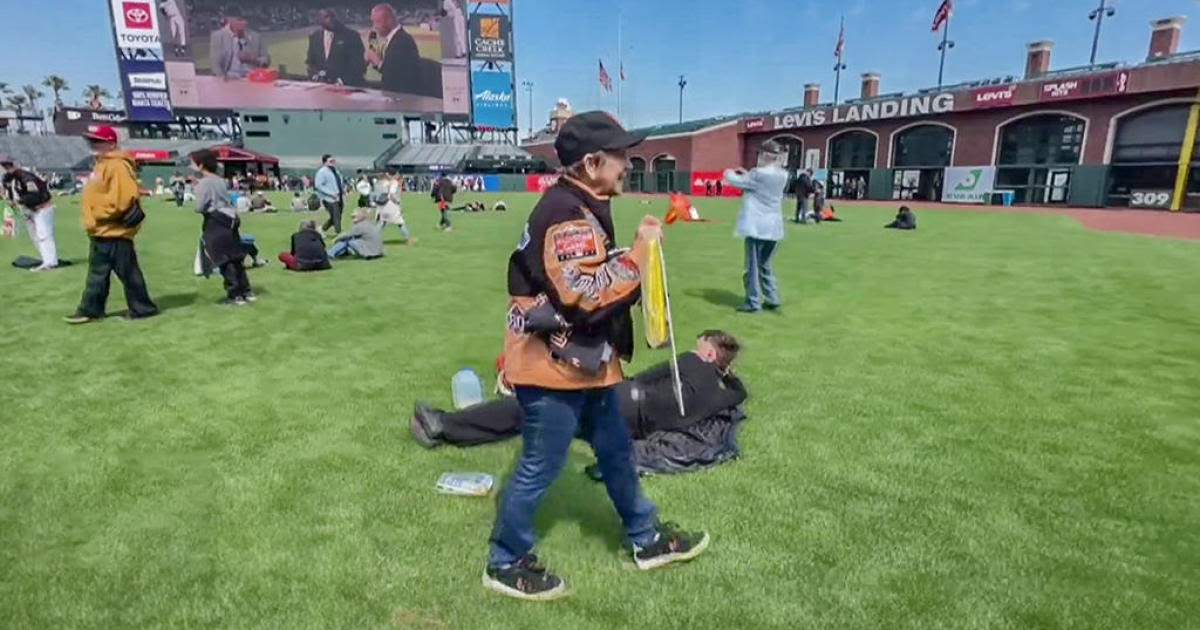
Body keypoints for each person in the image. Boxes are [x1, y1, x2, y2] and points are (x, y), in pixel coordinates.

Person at [483, 111, 707, 601]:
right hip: (554, 369)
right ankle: (504, 559)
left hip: (583, 365)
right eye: (621, 156)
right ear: (591, 162)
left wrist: (626, 253)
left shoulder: (577, 203)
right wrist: (638, 257)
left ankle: (645, 538)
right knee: (540, 464)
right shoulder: (566, 212)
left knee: (617, 452)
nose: (628, 164)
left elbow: (580, 273)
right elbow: (581, 295)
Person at [412, 331, 745, 448]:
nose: (694, 348)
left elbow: (642, 378)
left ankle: (444, 425)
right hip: (632, 428)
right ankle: (451, 429)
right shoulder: (722, 395)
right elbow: (739, 390)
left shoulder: (690, 362)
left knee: (533, 407)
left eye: (701, 346)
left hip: (624, 403)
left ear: (711, 354)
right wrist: (726, 373)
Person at [65, 126, 159, 324]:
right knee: (98, 274)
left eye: (98, 141)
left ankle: (142, 308)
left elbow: (124, 197)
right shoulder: (101, 164)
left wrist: (100, 215)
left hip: (113, 229)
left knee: (128, 273)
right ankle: (90, 309)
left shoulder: (117, 165)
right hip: (100, 230)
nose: (94, 144)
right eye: (92, 141)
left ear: (111, 143)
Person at [724, 140, 788, 314]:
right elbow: (754, 182)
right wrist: (747, 175)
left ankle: (753, 302)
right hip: (774, 228)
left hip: (757, 227)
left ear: (765, 155)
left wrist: (728, 172)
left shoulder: (758, 174)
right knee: (766, 265)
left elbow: (737, 182)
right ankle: (772, 297)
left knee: (751, 266)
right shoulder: (782, 174)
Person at [191, 149, 255, 305]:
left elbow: (199, 207)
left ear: (201, 165)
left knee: (224, 258)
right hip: (230, 218)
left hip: (215, 220)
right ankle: (246, 291)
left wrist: (196, 189)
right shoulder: (220, 180)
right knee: (235, 256)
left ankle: (235, 294)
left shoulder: (204, 183)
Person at [1, 155, 59, 271]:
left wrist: (19, 201)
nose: (7, 168)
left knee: (44, 234)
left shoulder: (26, 177)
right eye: (4, 165)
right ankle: (46, 259)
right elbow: (7, 191)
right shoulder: (7, 178)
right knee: (35, 236)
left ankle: (50, 262)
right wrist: (9, 199)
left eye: (8, 165)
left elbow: (35, 195)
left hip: (41, 208)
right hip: (27, 210)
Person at [364, 3, 429, 95]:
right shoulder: (395, 38)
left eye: (377, 22)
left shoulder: (402, 41)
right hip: (394, 92)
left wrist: (376, 60)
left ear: (389, 20)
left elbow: (393, 75)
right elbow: (389, 68)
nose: (374, 26)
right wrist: (374, 60)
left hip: (403, 97)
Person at [306, 8, 366, 86]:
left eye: (332, 16)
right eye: (326, 17)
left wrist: (341, 81)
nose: (331, 19)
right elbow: (311, 63)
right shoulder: (314, 37)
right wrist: (315, 76)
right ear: (319, 20)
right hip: (323, 89)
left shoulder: (351, 36)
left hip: (348, 87)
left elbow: (358, 65)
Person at [210, 14, 270, 80]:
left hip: (251, 79)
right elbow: (215, 65)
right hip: (229, 79)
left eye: (245, 20)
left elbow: (266, 60)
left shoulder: (256, 37)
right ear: (230, 20)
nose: (244, 23)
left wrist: (253, 59)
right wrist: (222, 80)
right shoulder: (218, 36)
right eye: (240, 20)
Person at [375, 173, 414, 244]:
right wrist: (398, 202)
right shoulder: (393, 183)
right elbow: (392, 194)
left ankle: (372, 238)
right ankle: (408, 239)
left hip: (382, 206)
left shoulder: (379, 183)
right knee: (400, 223)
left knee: (382, 223)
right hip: (391, 205)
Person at [314, 154, 345, 236]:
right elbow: (318, 185)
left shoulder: (335, 170)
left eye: (333, 161)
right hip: (329, 198)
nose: (333, 163)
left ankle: (322, 229)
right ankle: (339, 233)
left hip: (339, 196)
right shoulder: (322, 172)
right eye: (330, 161)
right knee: (336, 216)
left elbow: (338, 182)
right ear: (325, 162)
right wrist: (331, 193)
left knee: (337, 216)